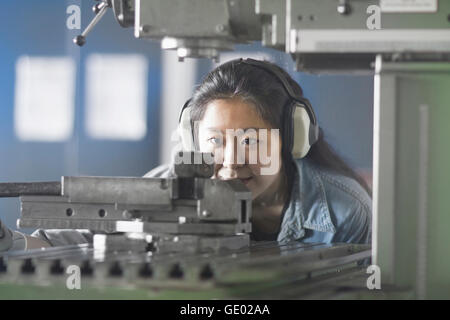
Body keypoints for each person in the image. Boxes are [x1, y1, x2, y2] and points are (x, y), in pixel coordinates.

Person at [0, 58, 371, 250]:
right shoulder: (166, 187)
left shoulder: (344, 211)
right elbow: (74, 242)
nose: (229, 162)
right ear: (192, 142)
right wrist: (9, 242)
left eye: (250, 141)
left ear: (293, 138)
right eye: (214, 141)